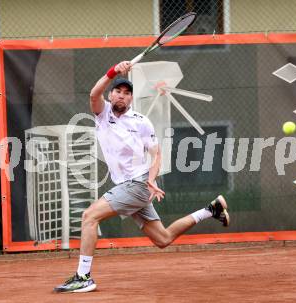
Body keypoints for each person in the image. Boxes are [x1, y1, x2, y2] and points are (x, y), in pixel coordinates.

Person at [54, 61, 230, 293]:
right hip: (130, 186)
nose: (122, 96)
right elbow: (94, 93)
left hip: (137, 185)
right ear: (111, 95)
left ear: (131, 99)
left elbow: (157, 155)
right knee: (163, 239)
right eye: (118, 91)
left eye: (127, 94)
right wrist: (114, 71)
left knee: (89, 216)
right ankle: (210, 210)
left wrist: (152, 179)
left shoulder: (142, 122)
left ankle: (83, 276)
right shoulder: (102, 112)